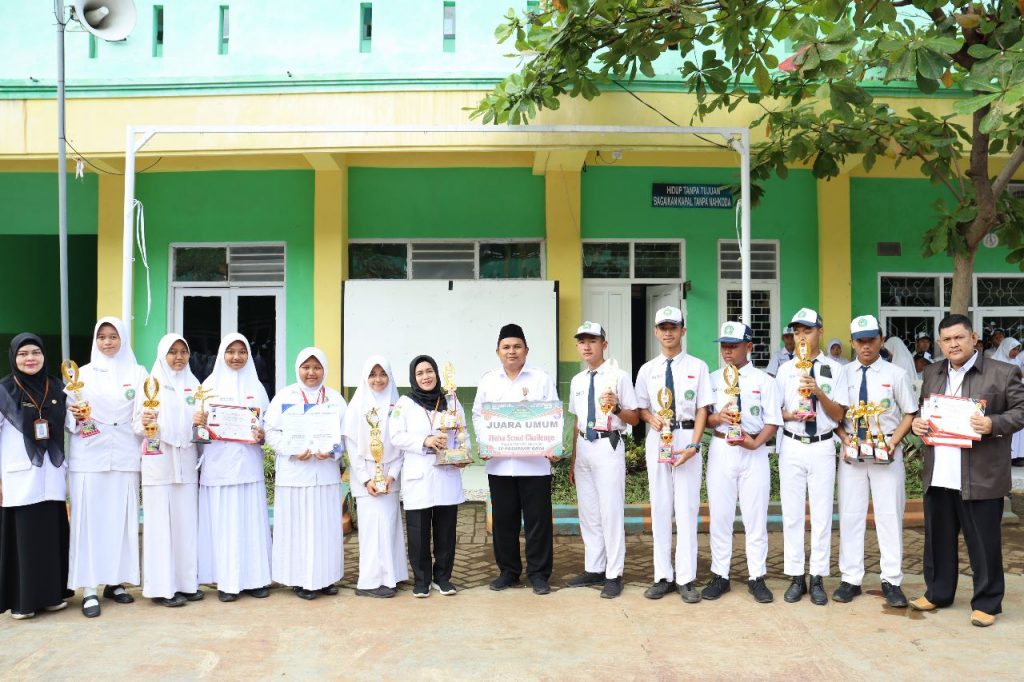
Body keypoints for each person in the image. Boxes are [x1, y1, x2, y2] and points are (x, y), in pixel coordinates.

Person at [910, 314, 1024, 627]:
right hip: (939, 473)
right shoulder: (932, 372)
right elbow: (925, 409)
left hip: (981, 475)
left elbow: (1020, 410)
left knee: (983, 543)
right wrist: (919, 423)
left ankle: (987, 602)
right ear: (940, 343)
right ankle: (938, 592)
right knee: (938, 540)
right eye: (947, 339)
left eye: (959, 337)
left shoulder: (1003, 372)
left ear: (973, 338)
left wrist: (993, 423)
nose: (953, 344)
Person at [832, 316, 917, 608]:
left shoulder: (896, 374)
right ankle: (850, 579)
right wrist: (844, 438)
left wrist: (894, 443)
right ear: (852, 342)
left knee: (889, 515)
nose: (866, 346)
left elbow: (910, 412)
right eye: (860, 341)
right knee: (851, 514)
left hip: (887, 450)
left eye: (871, 339)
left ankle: (891, 580)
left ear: (881, 340)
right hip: (852, 454)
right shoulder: (844, 374)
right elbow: (836, 414)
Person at [66, 317, 146, 618]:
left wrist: (148, 423)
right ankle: (89, 588)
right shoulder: (81, 375)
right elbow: (68, 418)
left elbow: (144, 412)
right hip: (89, 456)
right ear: (95, 340)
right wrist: (74, 415)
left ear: (123, 339)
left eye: (113, 336)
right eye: (102, 336)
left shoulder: (138, 373)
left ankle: (116, 582)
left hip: (125, 454)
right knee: (90, 521)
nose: (108, 342)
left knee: (120, 520)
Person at [472, 324, 560, 595]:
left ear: (526, 350)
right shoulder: (489, 381)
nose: (512, 351)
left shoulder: (541, 378)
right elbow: (478, 415)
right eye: (506, 347)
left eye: (517, 346)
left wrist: (553, 445)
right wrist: (484, 442)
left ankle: (539, 574)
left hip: (535, 465)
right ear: (498, 351)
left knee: (538, 522)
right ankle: (508, 572)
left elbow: (553, 415)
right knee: (503, 522)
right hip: (500, 465)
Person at [635, 306, 712, 603]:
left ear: (683, 331)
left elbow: (703, 409)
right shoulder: (647, 370)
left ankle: (686, 578)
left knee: (687, 509)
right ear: (656, 332)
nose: (668, 333)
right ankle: (662, 576)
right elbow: (641, 407)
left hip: (686, 437)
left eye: (673, 327)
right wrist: (649, 418)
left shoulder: (698, 366)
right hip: (659, 438)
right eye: (663, 328)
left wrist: (694, 445)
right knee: (660, 507)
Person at [701, 322, 782, 604]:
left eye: (733, 346)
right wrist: (718, 418)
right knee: (720, 516)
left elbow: (773, 420)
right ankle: (720, 575)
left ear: (749, 347)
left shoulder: (764, 381)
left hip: (753, 452)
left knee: (755, 517)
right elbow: (704, 418)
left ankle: (756, 576)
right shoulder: (712, 379)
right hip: (722, 447)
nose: (727, 351)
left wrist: (756, 443)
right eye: (724, 345)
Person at [775, 308, 847, 606]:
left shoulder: (835, 369)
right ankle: (795, 576)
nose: (801, 336)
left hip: (822, 445)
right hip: (792, 444)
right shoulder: (785, 370)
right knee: (792, 514)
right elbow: (774, 412)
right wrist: (790, 414)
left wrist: (818, 392)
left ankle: (817, 576)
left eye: (807, 330)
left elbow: (839, 414)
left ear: (820, 331)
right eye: (796, 332)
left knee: (821, 514)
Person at [0, 334, 73, 620]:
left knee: (50, 537)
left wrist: (82, 416)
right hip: (19, 476)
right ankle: (23, 602)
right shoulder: (4, 390)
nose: (30, 358)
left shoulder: (56, 386)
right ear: (13, 357)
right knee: (24, 540)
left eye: (35, 352)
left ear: (44, 355)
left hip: (51, 474)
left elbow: (73, 425)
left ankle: (52, 595)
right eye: (23, 354)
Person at [564, 322, 639, 599]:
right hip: (584, 446)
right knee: (589, 513)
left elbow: (634, 417)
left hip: (608, 444)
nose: (586, 346)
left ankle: (614, 573)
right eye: (582, 341)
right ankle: (594, 568)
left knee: (610, 512)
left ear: (604, 344)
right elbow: (577, 421)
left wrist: (617, 407)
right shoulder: (577, 380)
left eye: (592, 341)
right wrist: (574, 459)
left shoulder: (619, 376)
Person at [196, 333, 272, 602]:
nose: (236, 357)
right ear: (221, 354)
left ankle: (255, 580)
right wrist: (200, 425)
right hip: (219, 467)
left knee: (250, 525)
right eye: (231, 351)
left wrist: (262, 434)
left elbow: (268, 426)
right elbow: (197, 433)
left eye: (242, 352)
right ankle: (226, 583)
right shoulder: (208, 386)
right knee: (223, 527)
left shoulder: (258, 388)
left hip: (249, 467)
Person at [264, 348, 346, 600]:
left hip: (324, 474)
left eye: (317, 367)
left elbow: (345, 437)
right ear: (298, 369)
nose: (311, 373)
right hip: (295, 474)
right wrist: (291, 449)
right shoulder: (284, 396)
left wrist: (332, 452)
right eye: (306, 367)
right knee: (297, 529)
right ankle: (299, 580)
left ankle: (326, 577)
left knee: (325, 529)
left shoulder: (335, 399)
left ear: (324, 370)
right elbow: (270, 431)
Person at [132, 334, 203, 607]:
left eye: (183, 352)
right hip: (159, 461)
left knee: (186, 526)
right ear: (163, 355)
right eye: (172, 352)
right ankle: (161, 588)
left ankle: (186, 584)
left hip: (186, 462)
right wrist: (146, 421)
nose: (178, 357)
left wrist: (202, 422)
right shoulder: (150, 384)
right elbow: (136, 425)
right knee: (159, 527)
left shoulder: (194, 385)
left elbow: (200, 427)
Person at [390, 355, 469, 597]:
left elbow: (463, 431)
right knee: (418, 532)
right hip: (419, 475)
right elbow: (396, 436)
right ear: (413, 378)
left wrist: (463, 454)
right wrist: (425, 440)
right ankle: (422, 580)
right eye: (420, 373)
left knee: (446, 531)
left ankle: (443, 578)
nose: (426, 376)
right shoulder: (404, 403)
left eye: (429, 371)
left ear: (436, 373)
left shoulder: (451, 400)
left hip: (447, 473)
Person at [343, 356, 407, 598]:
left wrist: (392, 475)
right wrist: (365, 479)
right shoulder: (356, 406)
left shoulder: (398, 406)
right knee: (372, 530)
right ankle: (370, 582)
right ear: (365, 377)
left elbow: (401, 445)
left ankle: (391, 576)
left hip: (389, 478)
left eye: (382, 374)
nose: (378, 379)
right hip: (367, 478)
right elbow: (352, 447)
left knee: (389, 527)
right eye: (372, 374)